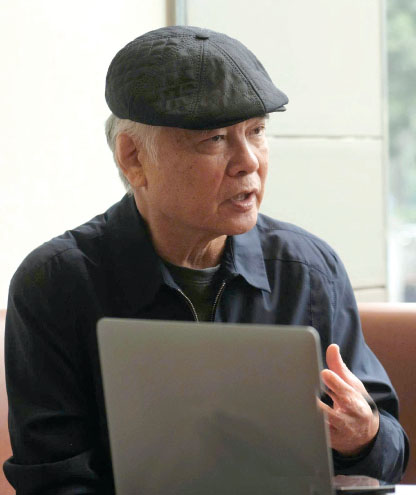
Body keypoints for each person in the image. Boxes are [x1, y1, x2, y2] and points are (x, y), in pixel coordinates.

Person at [4, 25, 408, 494]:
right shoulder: (54, 284)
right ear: (133, 158)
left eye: (256, 131)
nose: (248, 162)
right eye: (215, 139)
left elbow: (391, 454)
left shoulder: (309, 270)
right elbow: (54, 480)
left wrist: (364, 435)